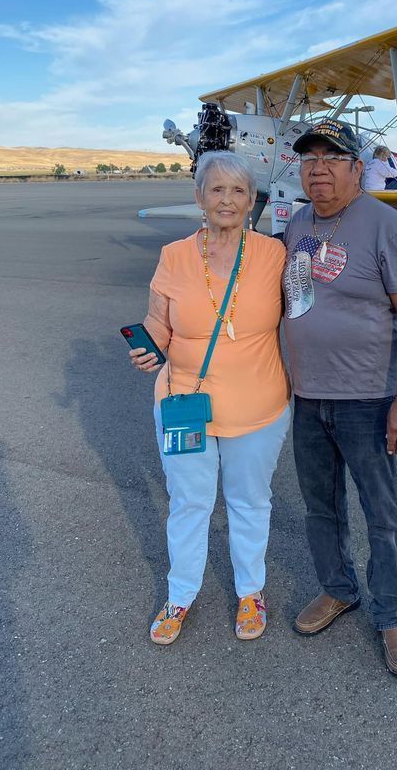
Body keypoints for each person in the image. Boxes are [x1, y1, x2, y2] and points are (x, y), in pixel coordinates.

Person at [283, 118, 397, 678]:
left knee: (382, 515)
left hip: (368, 398)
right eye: (309, 158)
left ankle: (392, 614)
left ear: (356, 168)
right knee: (321, 507)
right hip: (308, 397)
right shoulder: (297, 223)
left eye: (331, 157)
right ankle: (337, 589)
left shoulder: (383, 223)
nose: (318, 168)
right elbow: (294, 300)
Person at [129, 151, 290, 645]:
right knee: (189, 503)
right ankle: (180, 596)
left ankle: (250, 592)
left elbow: (307, 317)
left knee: (249, 502)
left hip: (258, 405)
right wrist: (148, 349)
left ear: (252, 202)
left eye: (238, 191)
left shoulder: (273, 255)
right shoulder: (174, 255)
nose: (227, 199)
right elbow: (158, 321)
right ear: (199, 198)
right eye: (216, 189)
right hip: (185, 402)